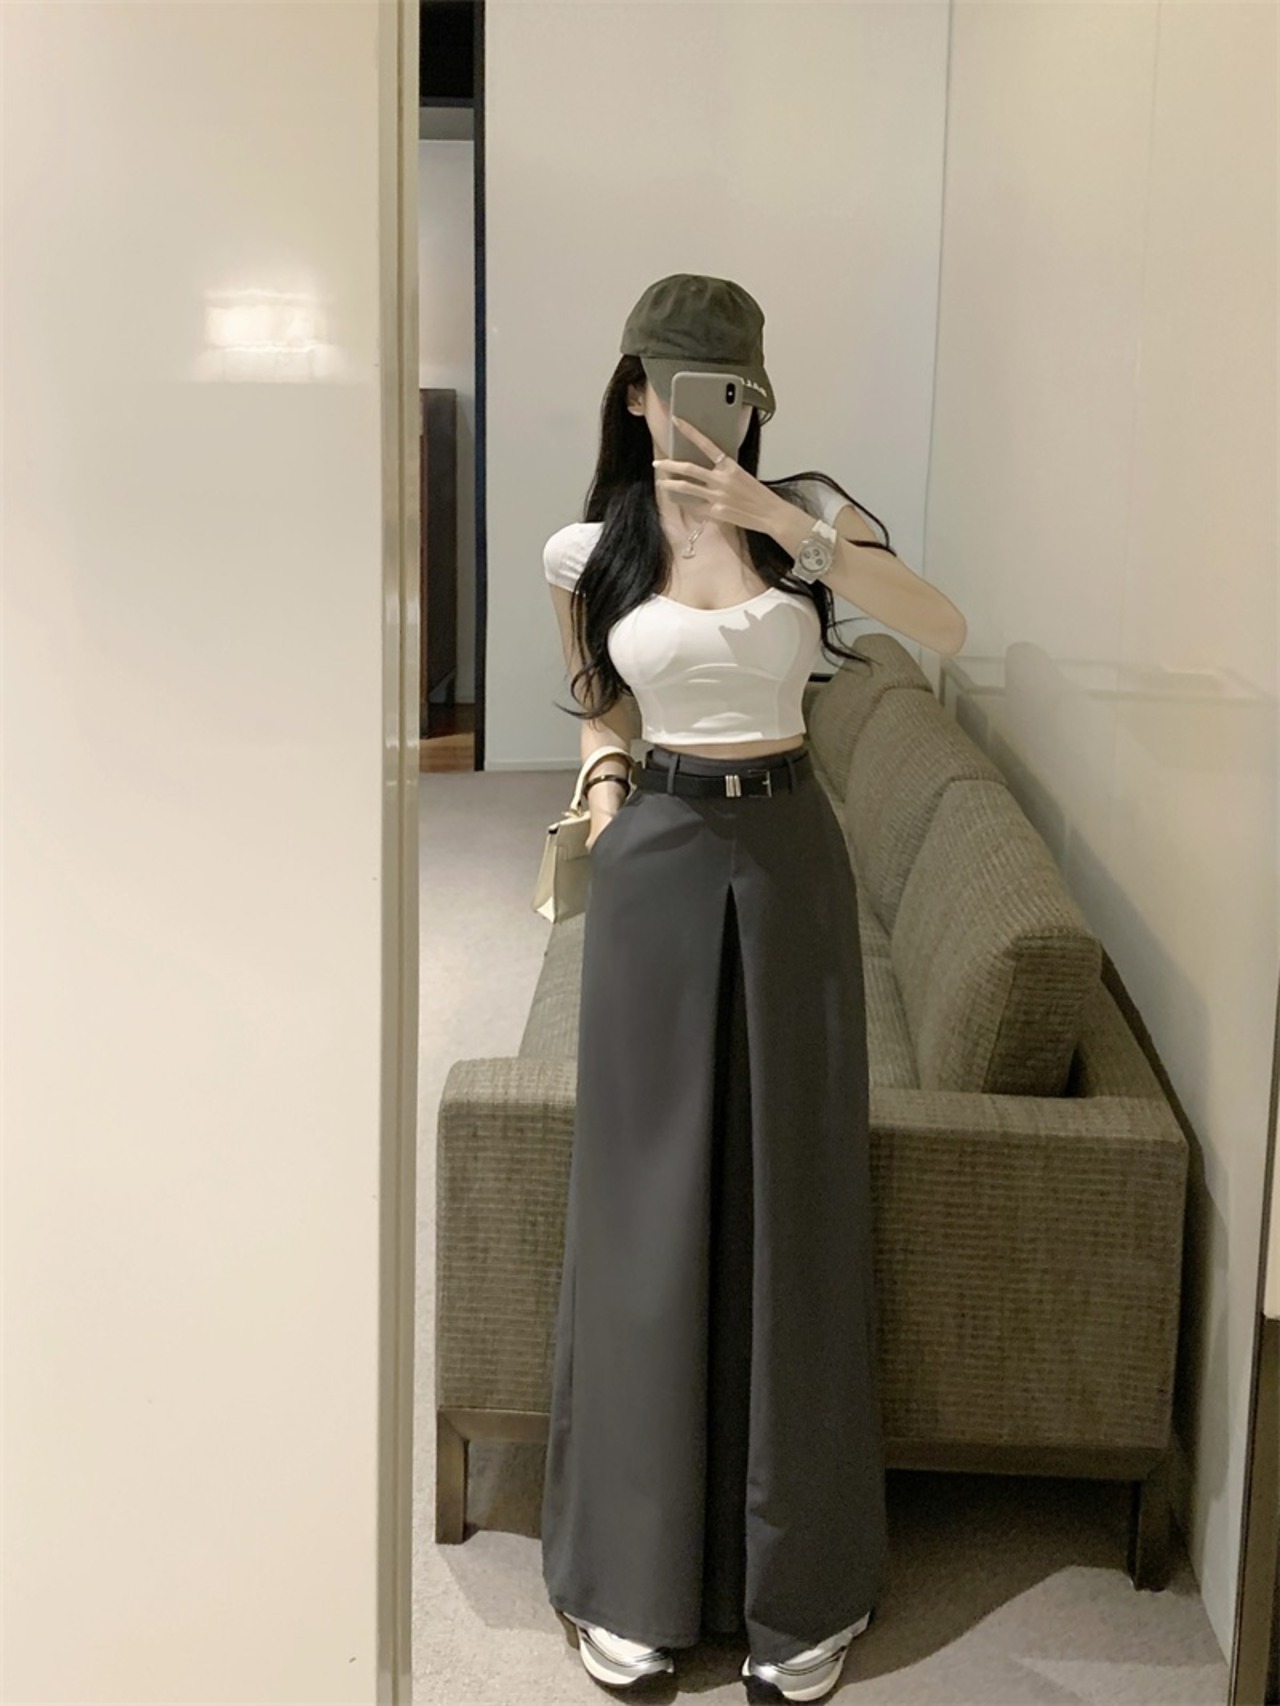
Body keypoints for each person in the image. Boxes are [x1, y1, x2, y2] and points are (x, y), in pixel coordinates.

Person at [539, 273, 960, 1703]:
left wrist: (786, 523)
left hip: (790, 862)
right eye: (673, 383)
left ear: (757, 399)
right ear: (634, 389)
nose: (696, 413)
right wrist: (606, 794)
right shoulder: (590, 547)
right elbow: (599, 703)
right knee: (642, 1206)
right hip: (656, 864)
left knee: (797, 1200)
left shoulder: (812, 525)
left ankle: (802, 1587)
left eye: (728, 389)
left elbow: (945, 623)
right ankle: (633, 1579)